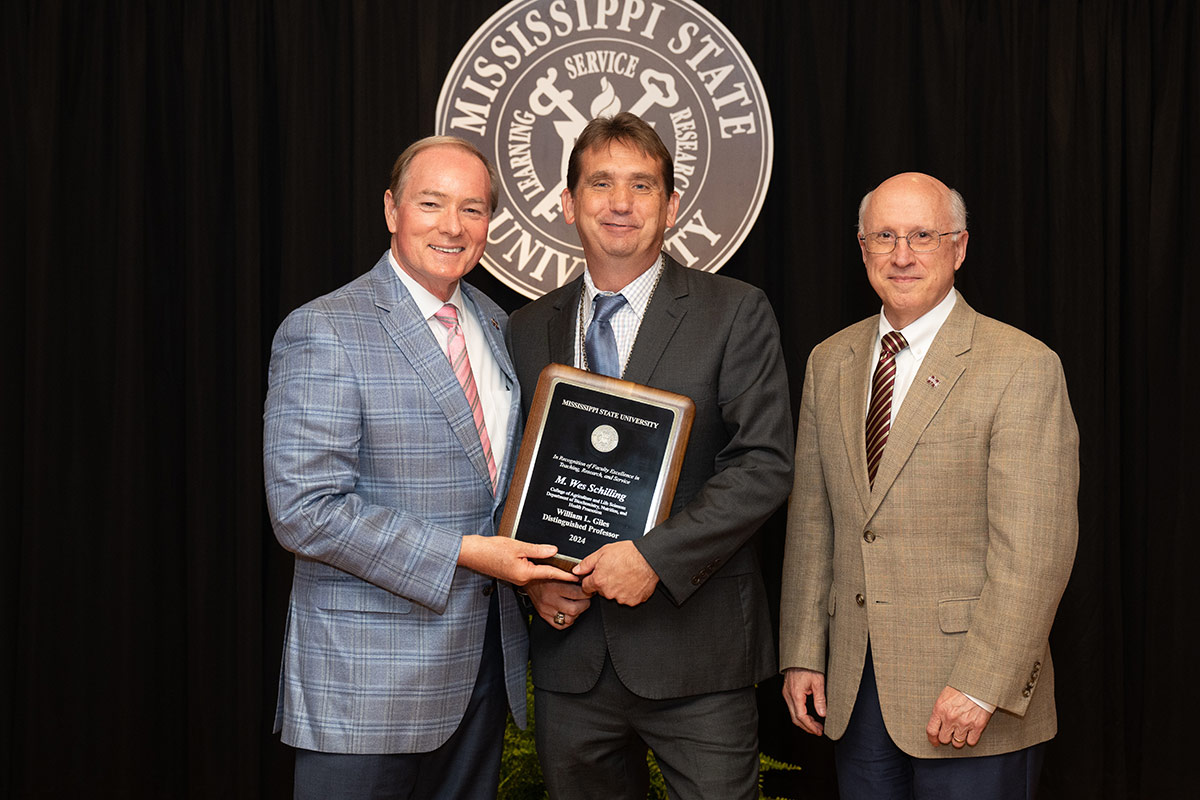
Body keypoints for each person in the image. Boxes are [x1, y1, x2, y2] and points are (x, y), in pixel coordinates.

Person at [263, 135, 575, 800]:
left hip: (480, 678)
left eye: (473, 209)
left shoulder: (496, 325)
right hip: (365, 690)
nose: (452, 226)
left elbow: (503, 487)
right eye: (431, 203)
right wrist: (466, 553)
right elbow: (303, 511)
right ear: (390, 210)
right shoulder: (325, 328)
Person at [506, 112, 794, 800]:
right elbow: (509, 476)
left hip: (697, 653)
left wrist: (654, 559)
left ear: (670, 205)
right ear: (568, 202)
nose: (621, 202)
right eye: (600, 183)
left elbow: (763, 463)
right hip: (571, 653)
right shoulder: (522, 330)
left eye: (643, 184)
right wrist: (530, 577)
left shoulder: (735, 311)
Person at [779, 172, 1079, 799]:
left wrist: (982, 684)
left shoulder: (1022, 366)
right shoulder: (828, 361)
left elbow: (1036, 550)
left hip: (970, 698)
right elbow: (814, 522)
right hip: (854, 692)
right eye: (884, 236)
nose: (902, 254)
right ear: (862, 249)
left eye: (922, 235)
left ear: (960, 247)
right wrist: (804, 650)